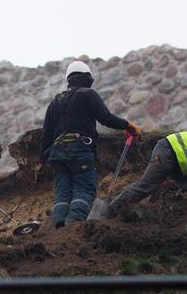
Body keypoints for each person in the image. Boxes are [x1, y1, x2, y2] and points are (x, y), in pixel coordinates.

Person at [40, 60, 142, 228]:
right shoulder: (87, 94)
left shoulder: (55, 102)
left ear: (69, 79)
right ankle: (73, 224)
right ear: (87, 77)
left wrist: (42, 160)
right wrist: (127, 125)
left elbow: (47, 134)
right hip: (79, 149)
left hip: (57, 154)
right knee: (84, 188)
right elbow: (105, 118)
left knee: (62, 193)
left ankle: (58, 227)